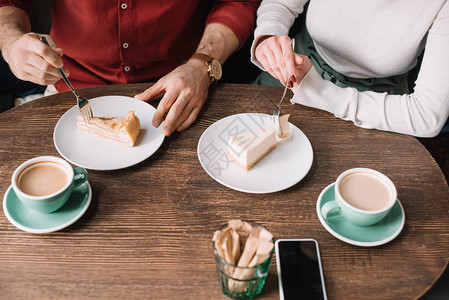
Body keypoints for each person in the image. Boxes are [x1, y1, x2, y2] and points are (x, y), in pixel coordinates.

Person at [0, 1, 260, 136]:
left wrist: (202, 64)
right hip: (71, 85)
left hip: (185, 88)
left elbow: (238, 1)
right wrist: (11, 42)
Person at [251, 0, 449, 137]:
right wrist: (268, 37)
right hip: (290, 71)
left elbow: (427, 115)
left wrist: (321, 93)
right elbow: (281, 4)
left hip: (379, 108)